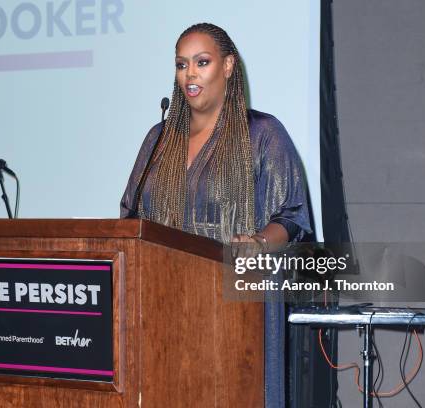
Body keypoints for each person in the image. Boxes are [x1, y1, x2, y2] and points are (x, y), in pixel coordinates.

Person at [120, 23, 312, 408]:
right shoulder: (158, 141)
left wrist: (258, 243)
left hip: (237, 300)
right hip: (164, 305)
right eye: (181, 64)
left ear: (227, 67)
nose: (189, 74)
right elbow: (130, 217)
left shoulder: (263, 134)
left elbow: (291, 217)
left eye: (201, 62)